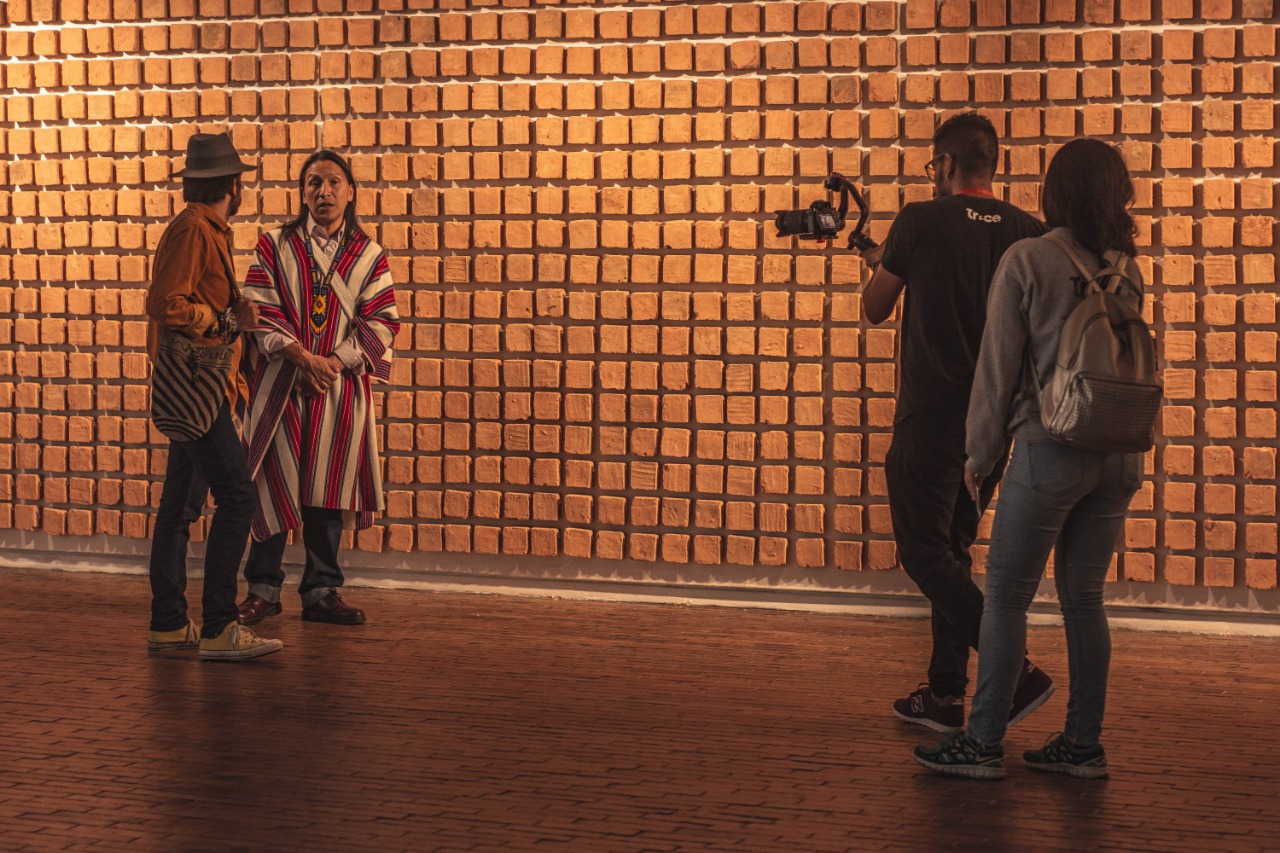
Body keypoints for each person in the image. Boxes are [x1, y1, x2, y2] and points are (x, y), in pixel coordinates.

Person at [914, 139, 1145, 780]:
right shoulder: (1128, 268)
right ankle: (1082, 743)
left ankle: (982, 741)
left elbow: (998, 367)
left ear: (1056, 191)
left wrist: (980, 454)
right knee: (1085, 599)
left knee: (1008, 598)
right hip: (1120, 454)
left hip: (1051, 448)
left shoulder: (1029, 259)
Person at [859, 112, 1052, 732]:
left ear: (943, 164)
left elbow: (875, 308)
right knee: (952, 551)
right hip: (993, 426)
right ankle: (944, 697)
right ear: (992, 165)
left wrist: (880, 261)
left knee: (922, 552)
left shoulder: (918, 219)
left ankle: (1015, 670)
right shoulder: (1030, 233)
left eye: (931, 167)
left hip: (930, 418)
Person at [235, 150, 400, 626]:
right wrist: (302, 358)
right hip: (281, 385)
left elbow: (383, 320)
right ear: (301, 191)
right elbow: (258, 310)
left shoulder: (370, 255)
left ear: (350, 191)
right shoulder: (274, 245)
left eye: (332, 182)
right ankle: (263, 590)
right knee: (272, 479)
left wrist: (331, 363)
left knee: (329, 485)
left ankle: (322, 590)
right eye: (312, 183)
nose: (322, 192)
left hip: (339, 387)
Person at [144, 132, 284, 661]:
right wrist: (224, 318)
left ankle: (167, 623)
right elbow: (165, 303)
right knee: (239, 498)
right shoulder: (195, 231)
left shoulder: (208, 230)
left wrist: (230, 312)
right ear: (231, 184)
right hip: (199, 390)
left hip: (200, 389)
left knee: (179, 506)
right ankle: (220, 626)